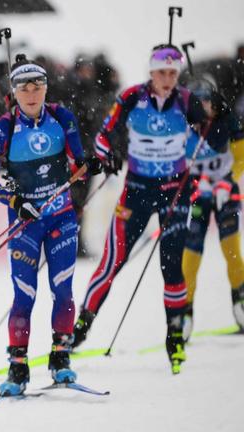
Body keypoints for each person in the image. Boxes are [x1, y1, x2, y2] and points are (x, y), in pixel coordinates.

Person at [72, 44, 228, 373]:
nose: (167, 79)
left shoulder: (187, 101)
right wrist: (108, 155)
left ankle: (175, 336)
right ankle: (81, 326)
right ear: (151, 72)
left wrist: (218, 117)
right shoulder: (131, 97)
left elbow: (215, 142)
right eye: (161, 72)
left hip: (175, 194)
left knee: (171, 268)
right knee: (111, 262)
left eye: (172, 73)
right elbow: (103, 136)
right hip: (137, 193)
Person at [0, 54, 97, 396]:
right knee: (24, 294)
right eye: (24, 88)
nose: (31, 94)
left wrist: (92, 164)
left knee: (62, 289)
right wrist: (16, 201)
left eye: (37, 87)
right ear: (14, 92)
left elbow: (79, 165)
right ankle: (18, 367)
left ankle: (61, 358)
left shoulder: (62, 117)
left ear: (46, 88)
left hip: (61, 217)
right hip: (25, 224)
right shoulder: (4, 128)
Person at [181, 78, 244, 340]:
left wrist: (227, 181)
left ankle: (240, 301)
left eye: (207, 101)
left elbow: (240, 157)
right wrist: (196, 184)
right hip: (199, 194)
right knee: (191, 251)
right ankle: (184, 311)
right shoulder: (183, 124)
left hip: (225, 192)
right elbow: (176, 163)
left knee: (231, 249)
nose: (204, 107)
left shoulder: (228, 120)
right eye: (198, 102)